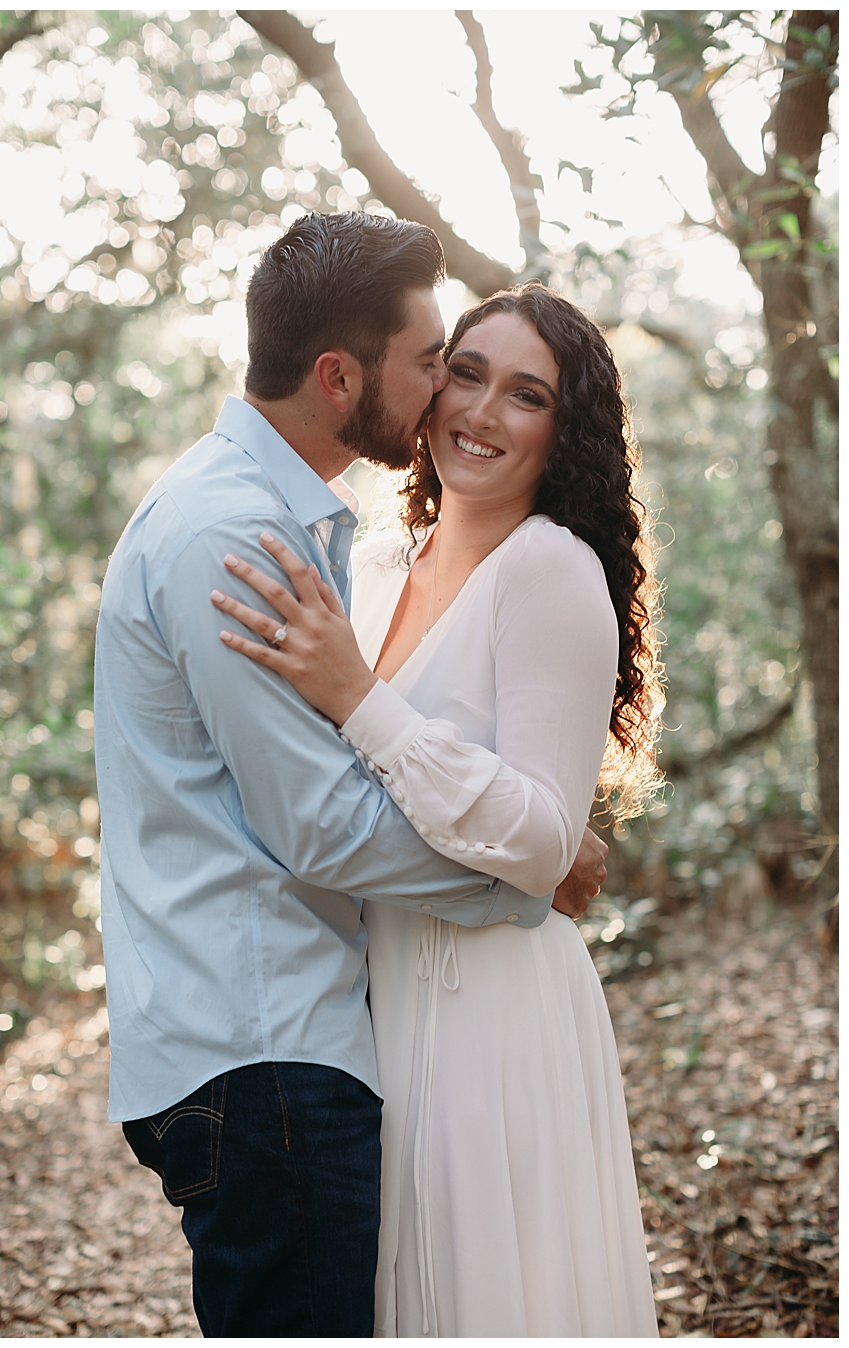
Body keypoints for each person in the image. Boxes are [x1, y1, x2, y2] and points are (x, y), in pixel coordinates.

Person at [91, 212, 609, 1337]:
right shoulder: (246, 539)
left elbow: (383, 778)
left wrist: (534, 839)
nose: (453, 402)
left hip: (389, 1026)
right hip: (275, 1043)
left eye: (521, 391)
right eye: (444, 366)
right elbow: (327, 825)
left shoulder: (303, 530)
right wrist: (524, 874)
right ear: (340, 376)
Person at [212, 281, 661, 1336]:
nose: (482, 413)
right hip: (369, 1002)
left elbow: (545, 836)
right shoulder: (368, 568)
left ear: (567, 431)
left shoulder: (547, 569)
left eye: (526, 395)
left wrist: (359, 699)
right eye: (466, 373)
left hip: (492, 1007)